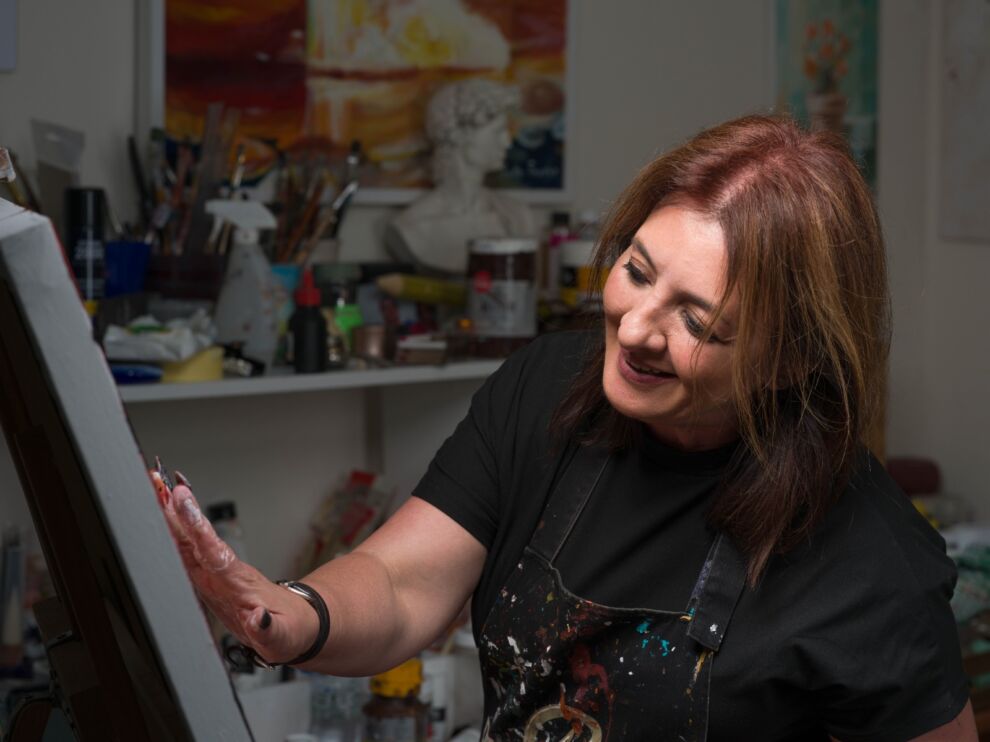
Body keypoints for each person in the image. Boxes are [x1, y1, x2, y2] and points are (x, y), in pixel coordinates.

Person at [157, 115, 976, 740]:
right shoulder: (549, 389)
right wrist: (289, 616)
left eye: (698, 321)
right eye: (637, 272)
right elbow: (403, 584)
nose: (635, 329)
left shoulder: (874, 561)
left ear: (789, 360)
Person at [385, 78, 536, 275]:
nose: (507, 142)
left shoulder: (516, 215)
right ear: (460, 136)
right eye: (498, 131)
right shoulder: (412, 227)